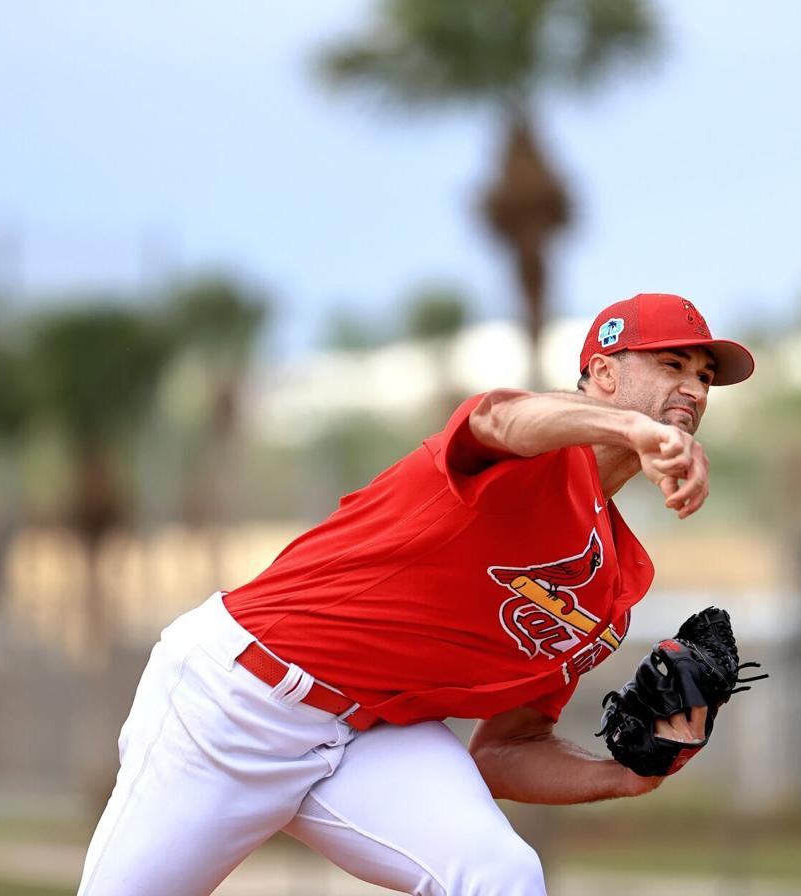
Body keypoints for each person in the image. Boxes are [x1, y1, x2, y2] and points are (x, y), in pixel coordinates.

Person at [77, 292, 755, 896]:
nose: (694, 389)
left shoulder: (616, 580)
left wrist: (628, 776)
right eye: (672, 365)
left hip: (369, 735)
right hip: (235, 701)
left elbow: (504, 750)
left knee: (503, 877)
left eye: (703, 377)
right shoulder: (530, 452)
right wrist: (627, 429)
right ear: (604, 372)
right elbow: (497, 417)